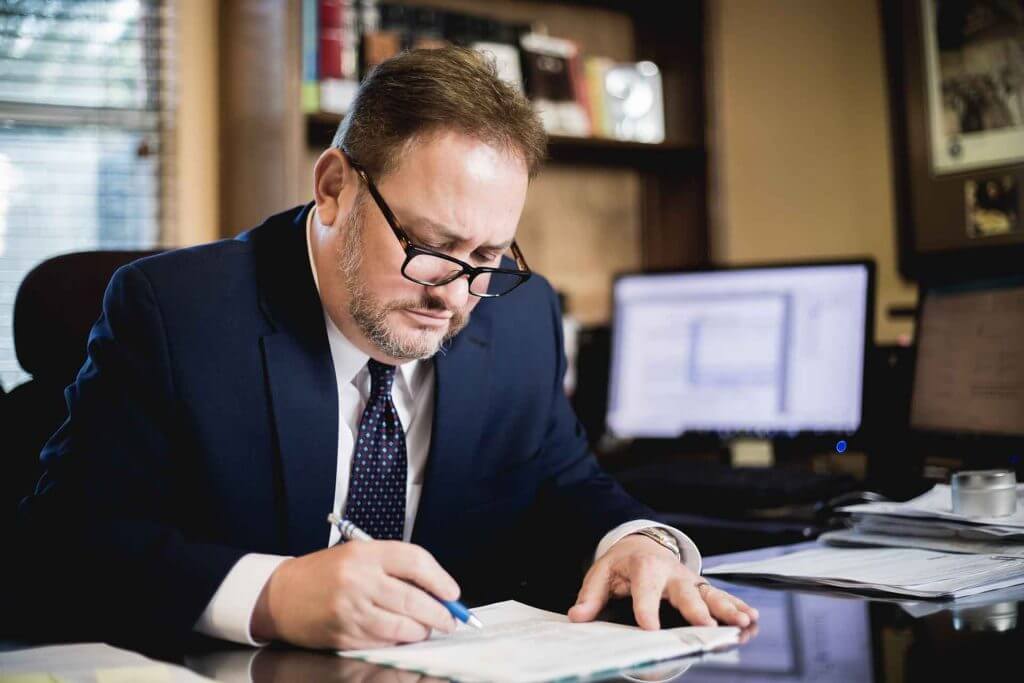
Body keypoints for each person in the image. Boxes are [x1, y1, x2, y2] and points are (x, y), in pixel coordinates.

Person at [17, 47, 757, 651]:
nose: (457, 292)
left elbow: (564, 480)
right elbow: (61, 546)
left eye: (489, 254)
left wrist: (631, 540)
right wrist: (271, 594)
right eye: (431, 245)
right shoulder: (176, 313)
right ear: (334, 187)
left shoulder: (522, 313)